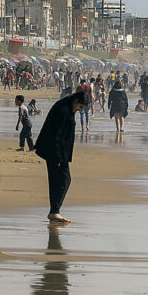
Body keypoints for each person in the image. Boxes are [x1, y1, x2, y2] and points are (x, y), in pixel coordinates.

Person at [34, 91, 87, 224]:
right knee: (64, 179)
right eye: (79, 107)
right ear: (75, 101)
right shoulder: (63, 109)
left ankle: (54, 211)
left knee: (56, 180)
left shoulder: (67, 107)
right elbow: (55, 134)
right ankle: (55, 211)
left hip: (56, 151)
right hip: (55, 151)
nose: (79, 110)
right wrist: (57, 156)